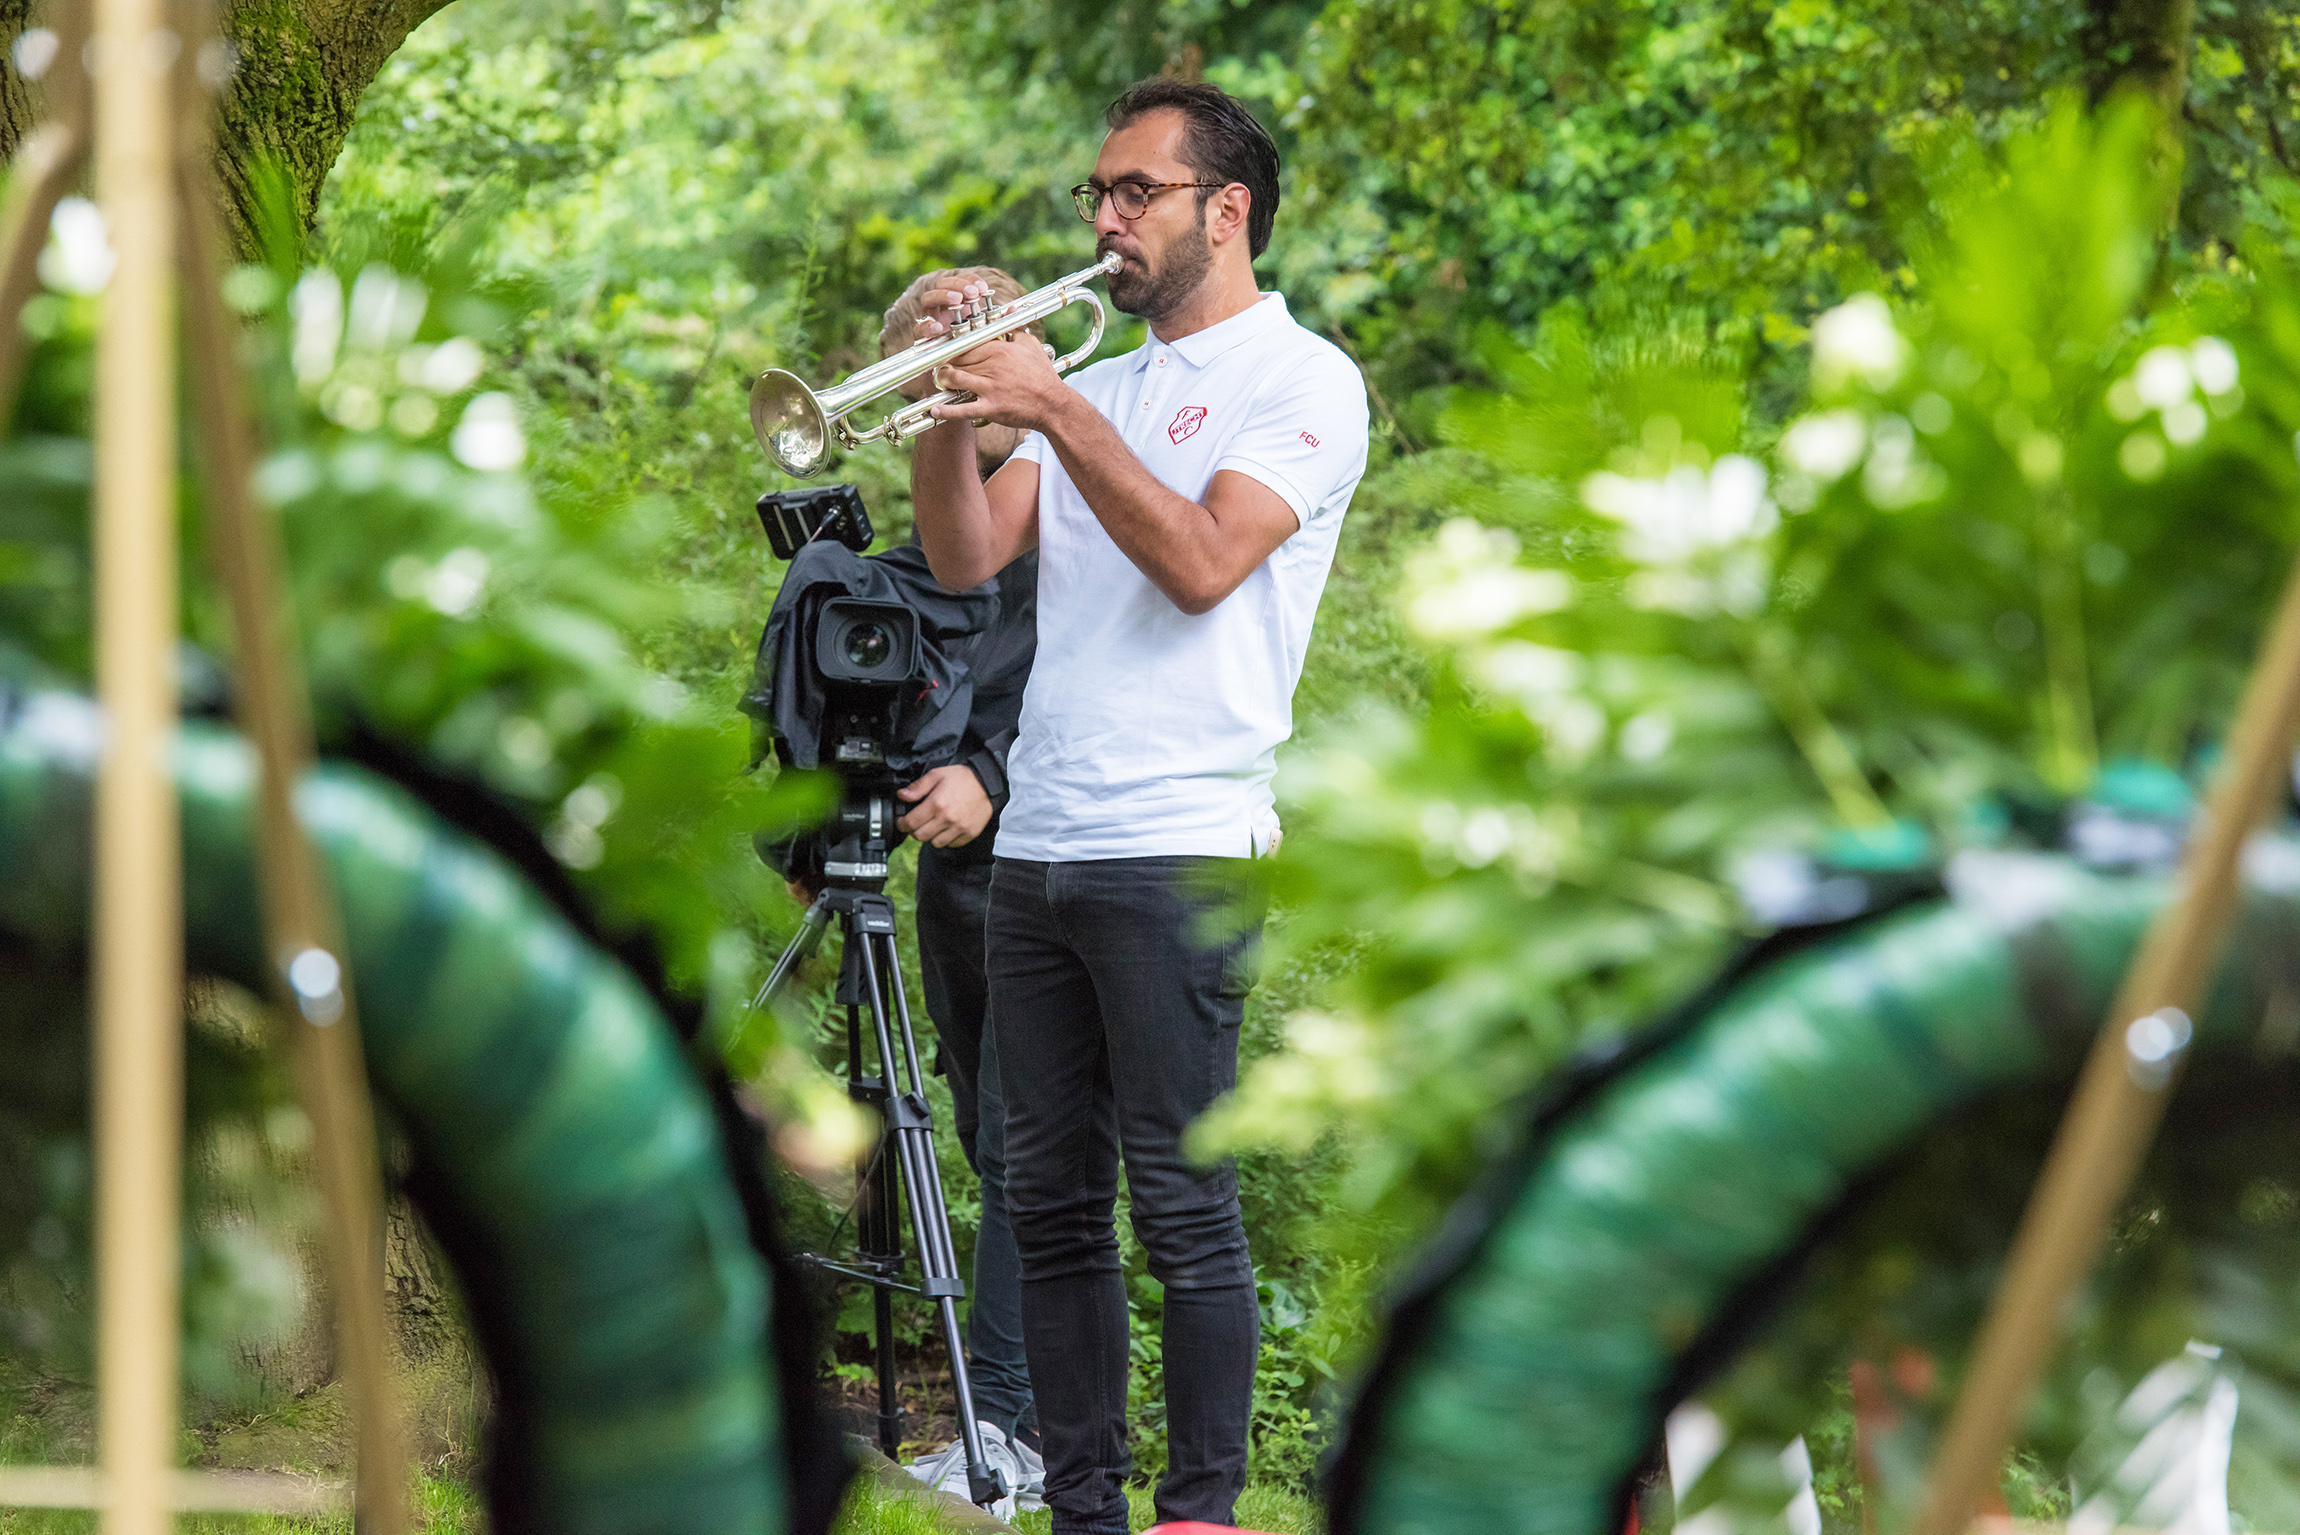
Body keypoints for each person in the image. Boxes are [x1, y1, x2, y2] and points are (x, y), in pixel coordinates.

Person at [904, 78, 1371, 1535]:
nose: (1104, 221)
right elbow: (972, 559)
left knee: (1181, 1205)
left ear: (1226, 210)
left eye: (1134, 193)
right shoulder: (1094, 387)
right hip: (1041, 841)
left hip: (1183, 843)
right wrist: (945, 401)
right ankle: (1084, 1511)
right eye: (1096, 196)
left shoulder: (1302, 380)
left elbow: (1200, 560)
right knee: (1043, 1204)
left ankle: (1202, 1512)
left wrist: (1046, 401)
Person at [876, 268, 1046, 1511]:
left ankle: (1006, 1434)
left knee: (1027, 1144)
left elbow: (1104, 671)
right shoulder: (917, 549)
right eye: (933, 329)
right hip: (956, 880)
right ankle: (1023, 1423)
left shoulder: (1069, 498)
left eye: (986, 315)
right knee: (990, 1133)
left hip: (1050, 852)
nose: (961, 331)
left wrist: (989, 771)